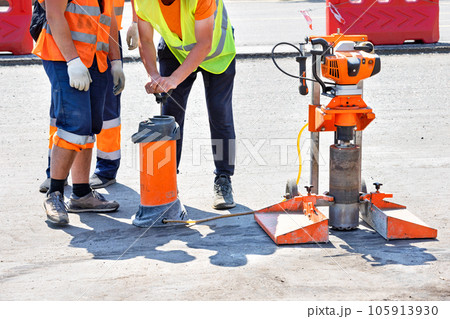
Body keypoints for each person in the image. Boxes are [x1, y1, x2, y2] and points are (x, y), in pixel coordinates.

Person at [135, 0, 237, 209]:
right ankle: (167, 181)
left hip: (217, 53)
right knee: (170, 116)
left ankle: (223, 179)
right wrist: (153, 75)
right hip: (175, 49)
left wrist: (174, 79)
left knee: (220, 114)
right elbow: (145, 39)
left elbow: (204, 44)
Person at [33, 0, 125, 225]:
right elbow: (55, 15)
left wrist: (116, 61)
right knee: (74, 124)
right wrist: (73, 61)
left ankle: (81, 194)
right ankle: (54, 195)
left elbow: (110, 19)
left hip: (95, 59)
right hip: (64, 57)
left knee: (91, 125)